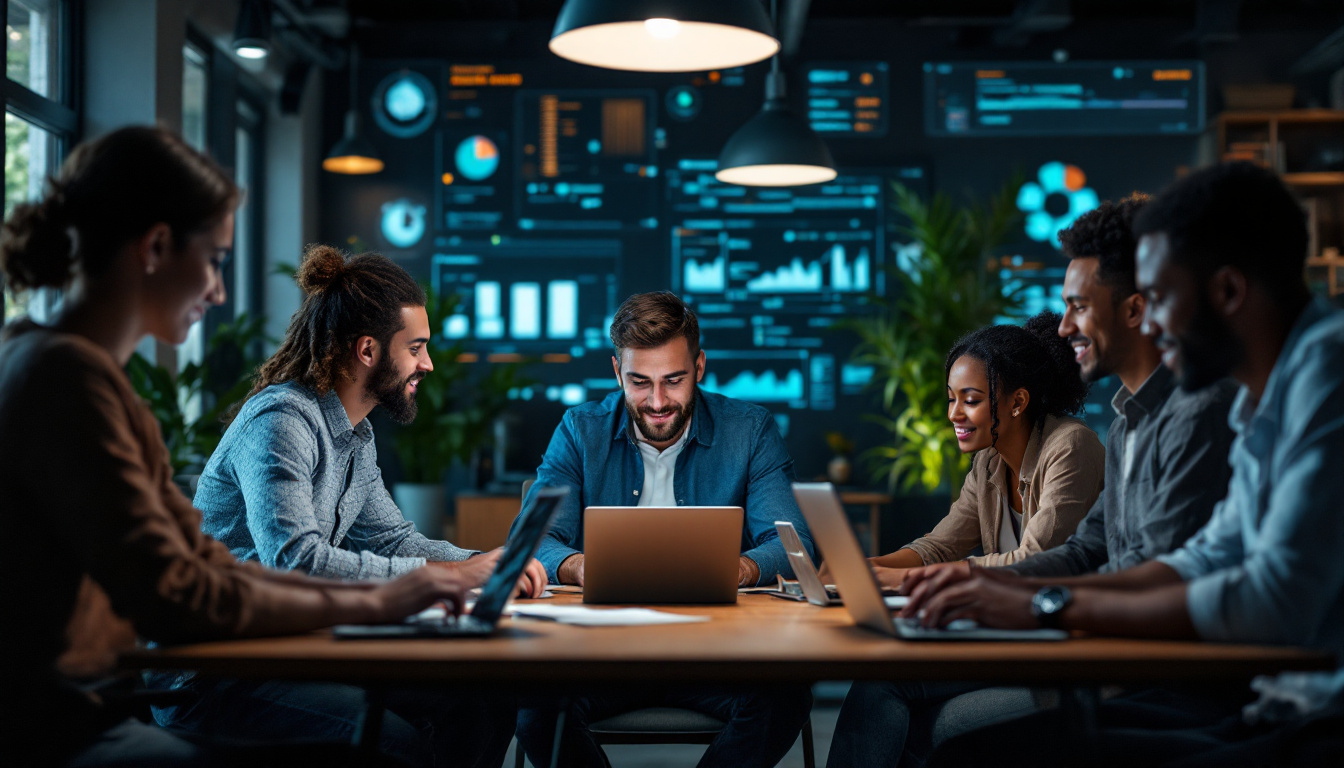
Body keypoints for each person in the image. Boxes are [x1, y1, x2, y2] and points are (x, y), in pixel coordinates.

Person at [0, 126, 472, 766]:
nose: (219, 291)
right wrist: (385, 597)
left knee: (456, 709)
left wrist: (416, 583)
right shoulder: (64, 380)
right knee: (385, 751)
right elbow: (176, 592)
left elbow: (203, 565)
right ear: (157, 247)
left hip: (89, 709)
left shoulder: (79, 376)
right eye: (217, 260)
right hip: (58, 727)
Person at [912, 162, 1344, 768]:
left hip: (1312, 722)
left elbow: (1274, 598)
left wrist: (1045, 605)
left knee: (968, 755)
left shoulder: (1326, 373)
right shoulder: (1257, 399)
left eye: (1161, 299)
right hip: (1272, 705)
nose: (1153, 321)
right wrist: (1004, 587)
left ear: (1226, 292)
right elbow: (1198, 560)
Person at [829, 197, 1240, 768]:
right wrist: (981, 588)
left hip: (1142, 676)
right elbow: (1084, 552)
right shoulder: (1127, 425)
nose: (1064, 325)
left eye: (1077, 306)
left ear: (1135, 310)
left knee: (944, 734)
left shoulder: (1195, 415)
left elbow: (1157, 578)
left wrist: (1022, 600)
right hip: (1096, 651)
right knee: (884, 690)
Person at [148, 244, 541, 765]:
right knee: (396, 744)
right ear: (367, 351)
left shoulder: (354, 434)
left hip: (290, 650)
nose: (427, 363)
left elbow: (392, 538)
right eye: (417, 346)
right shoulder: (281, 421)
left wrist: (479, 563)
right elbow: (294, 561)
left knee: (484, 698)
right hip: (215, 674)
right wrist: (453, 579)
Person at [513, 291, 814, 768]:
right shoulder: (578, 430)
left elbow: (795, 546)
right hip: (602, 656)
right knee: (532, 705)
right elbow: (531, 544)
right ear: (616, 372)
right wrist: (577, 567)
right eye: (639, 382)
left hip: (718, 653)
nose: (657, 402)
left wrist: (735, 568)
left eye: (673, 380)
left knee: (787, 696)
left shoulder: (750, 430)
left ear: (699, 366)